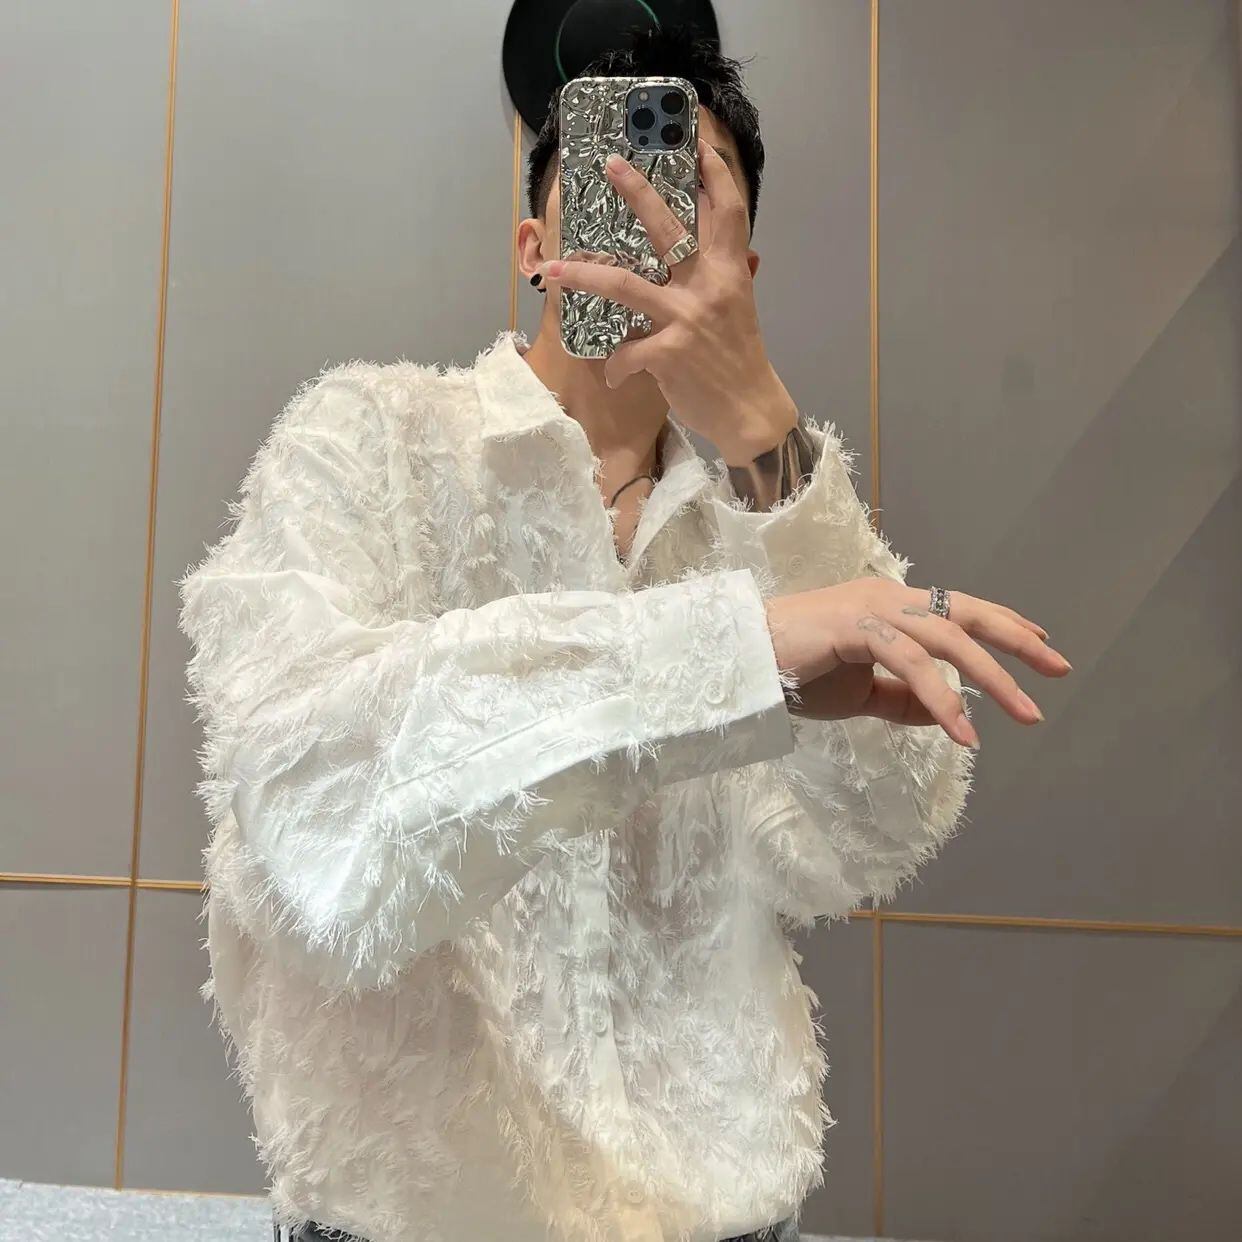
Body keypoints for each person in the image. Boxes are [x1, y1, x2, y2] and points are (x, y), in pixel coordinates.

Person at [177, 25, 1071, 1242]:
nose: (650, 218)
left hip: (726, 1222)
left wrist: (765, 441)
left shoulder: (777, 519)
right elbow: (313, 800)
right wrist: (736, 657)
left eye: (691, 192)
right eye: (611, 181)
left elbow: (877, 829)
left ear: (744, 265)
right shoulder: (368, 439)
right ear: (534, 251)